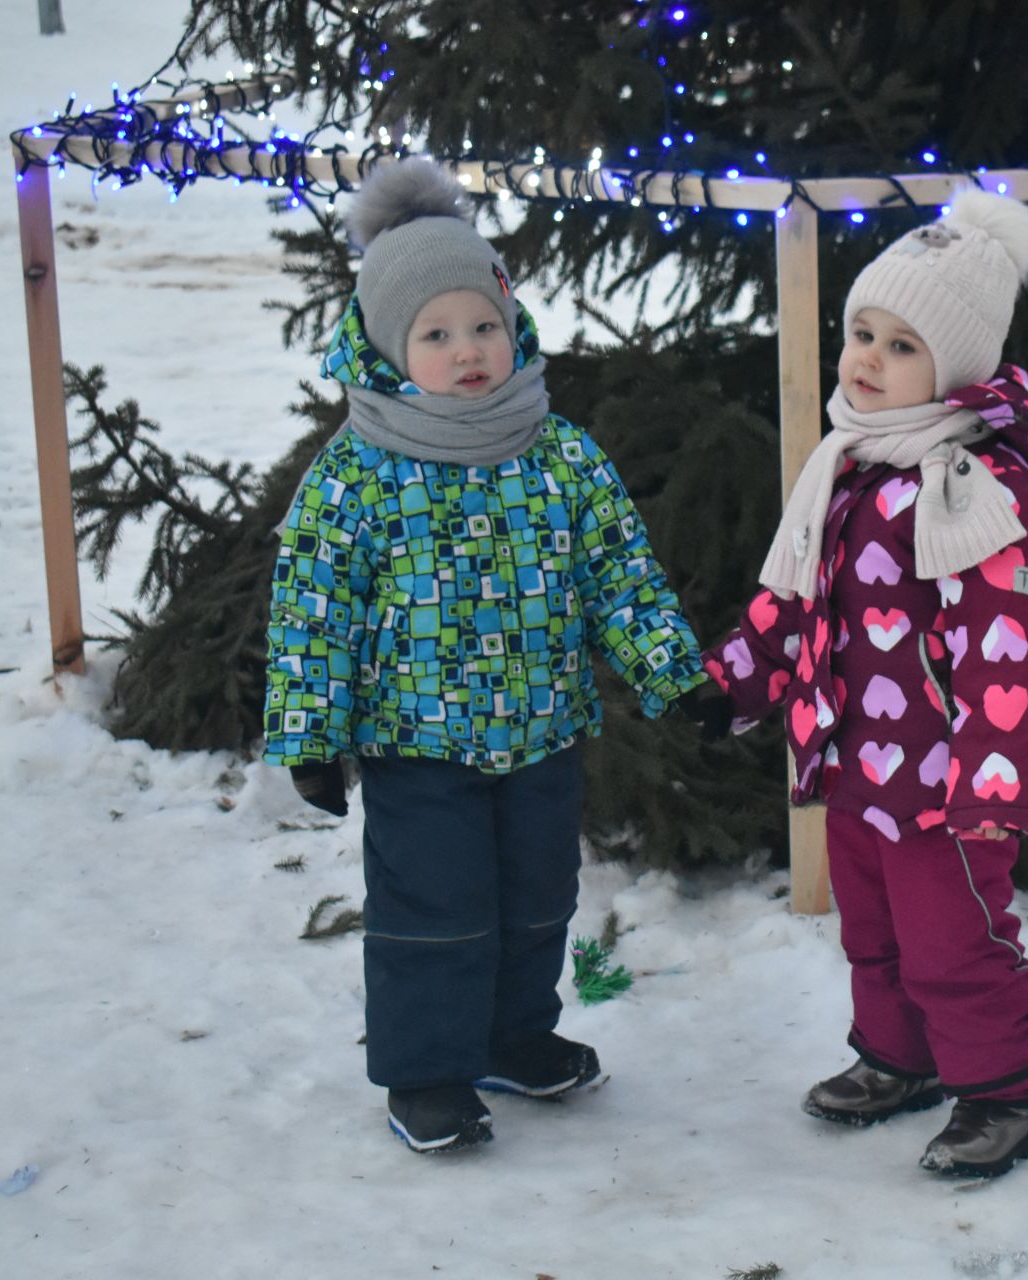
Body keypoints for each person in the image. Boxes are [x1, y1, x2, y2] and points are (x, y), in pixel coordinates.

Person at [262, 158, 718, 1154]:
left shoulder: (558, 452)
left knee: (537, 896)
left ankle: (516, 1033)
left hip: (542, 728)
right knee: (435, 906)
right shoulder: (357, 474)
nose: (468, 350)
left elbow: (619, 573)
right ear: (390, 346)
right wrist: (311, 735)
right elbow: (312, 611)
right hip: (416, 741)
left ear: (514, 325)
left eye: (483, 325)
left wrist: (673, 673)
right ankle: (426, 1070)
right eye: (436, 333)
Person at [696, 189, 1028, 1178]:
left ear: (954, 368)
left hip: (946, 786)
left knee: (956, 939)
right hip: (858, 763)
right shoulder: (850, 461)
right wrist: (735, 682)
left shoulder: (976, 488)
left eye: (901, 345)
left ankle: (999, 1090)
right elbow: (792, 598)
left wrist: (990, 790)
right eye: (862, 331)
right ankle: (898, 1058)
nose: (866, 357)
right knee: (875, 933)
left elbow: (1009, 649)